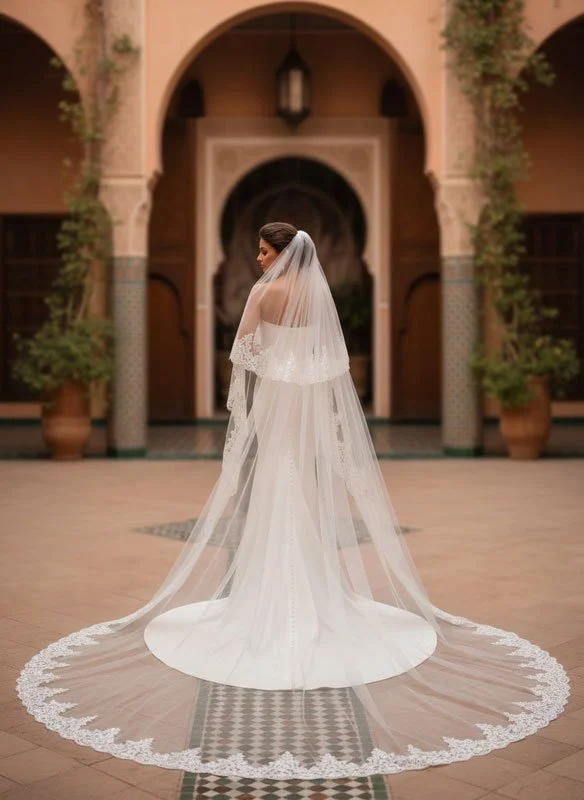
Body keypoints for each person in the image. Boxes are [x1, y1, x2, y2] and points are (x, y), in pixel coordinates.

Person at [16, 223, 569, 779]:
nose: (258, 259)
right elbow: (333, 369)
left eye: (263, 250)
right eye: (257, 251)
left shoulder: (264, 293)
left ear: (283, 254)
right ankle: (313, 597)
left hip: (277, 415)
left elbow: (245, 354)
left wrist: (254, 402)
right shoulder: (315, 297)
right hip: (303, 415)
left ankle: (267, 604)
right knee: (300, 498)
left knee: (273, 499)